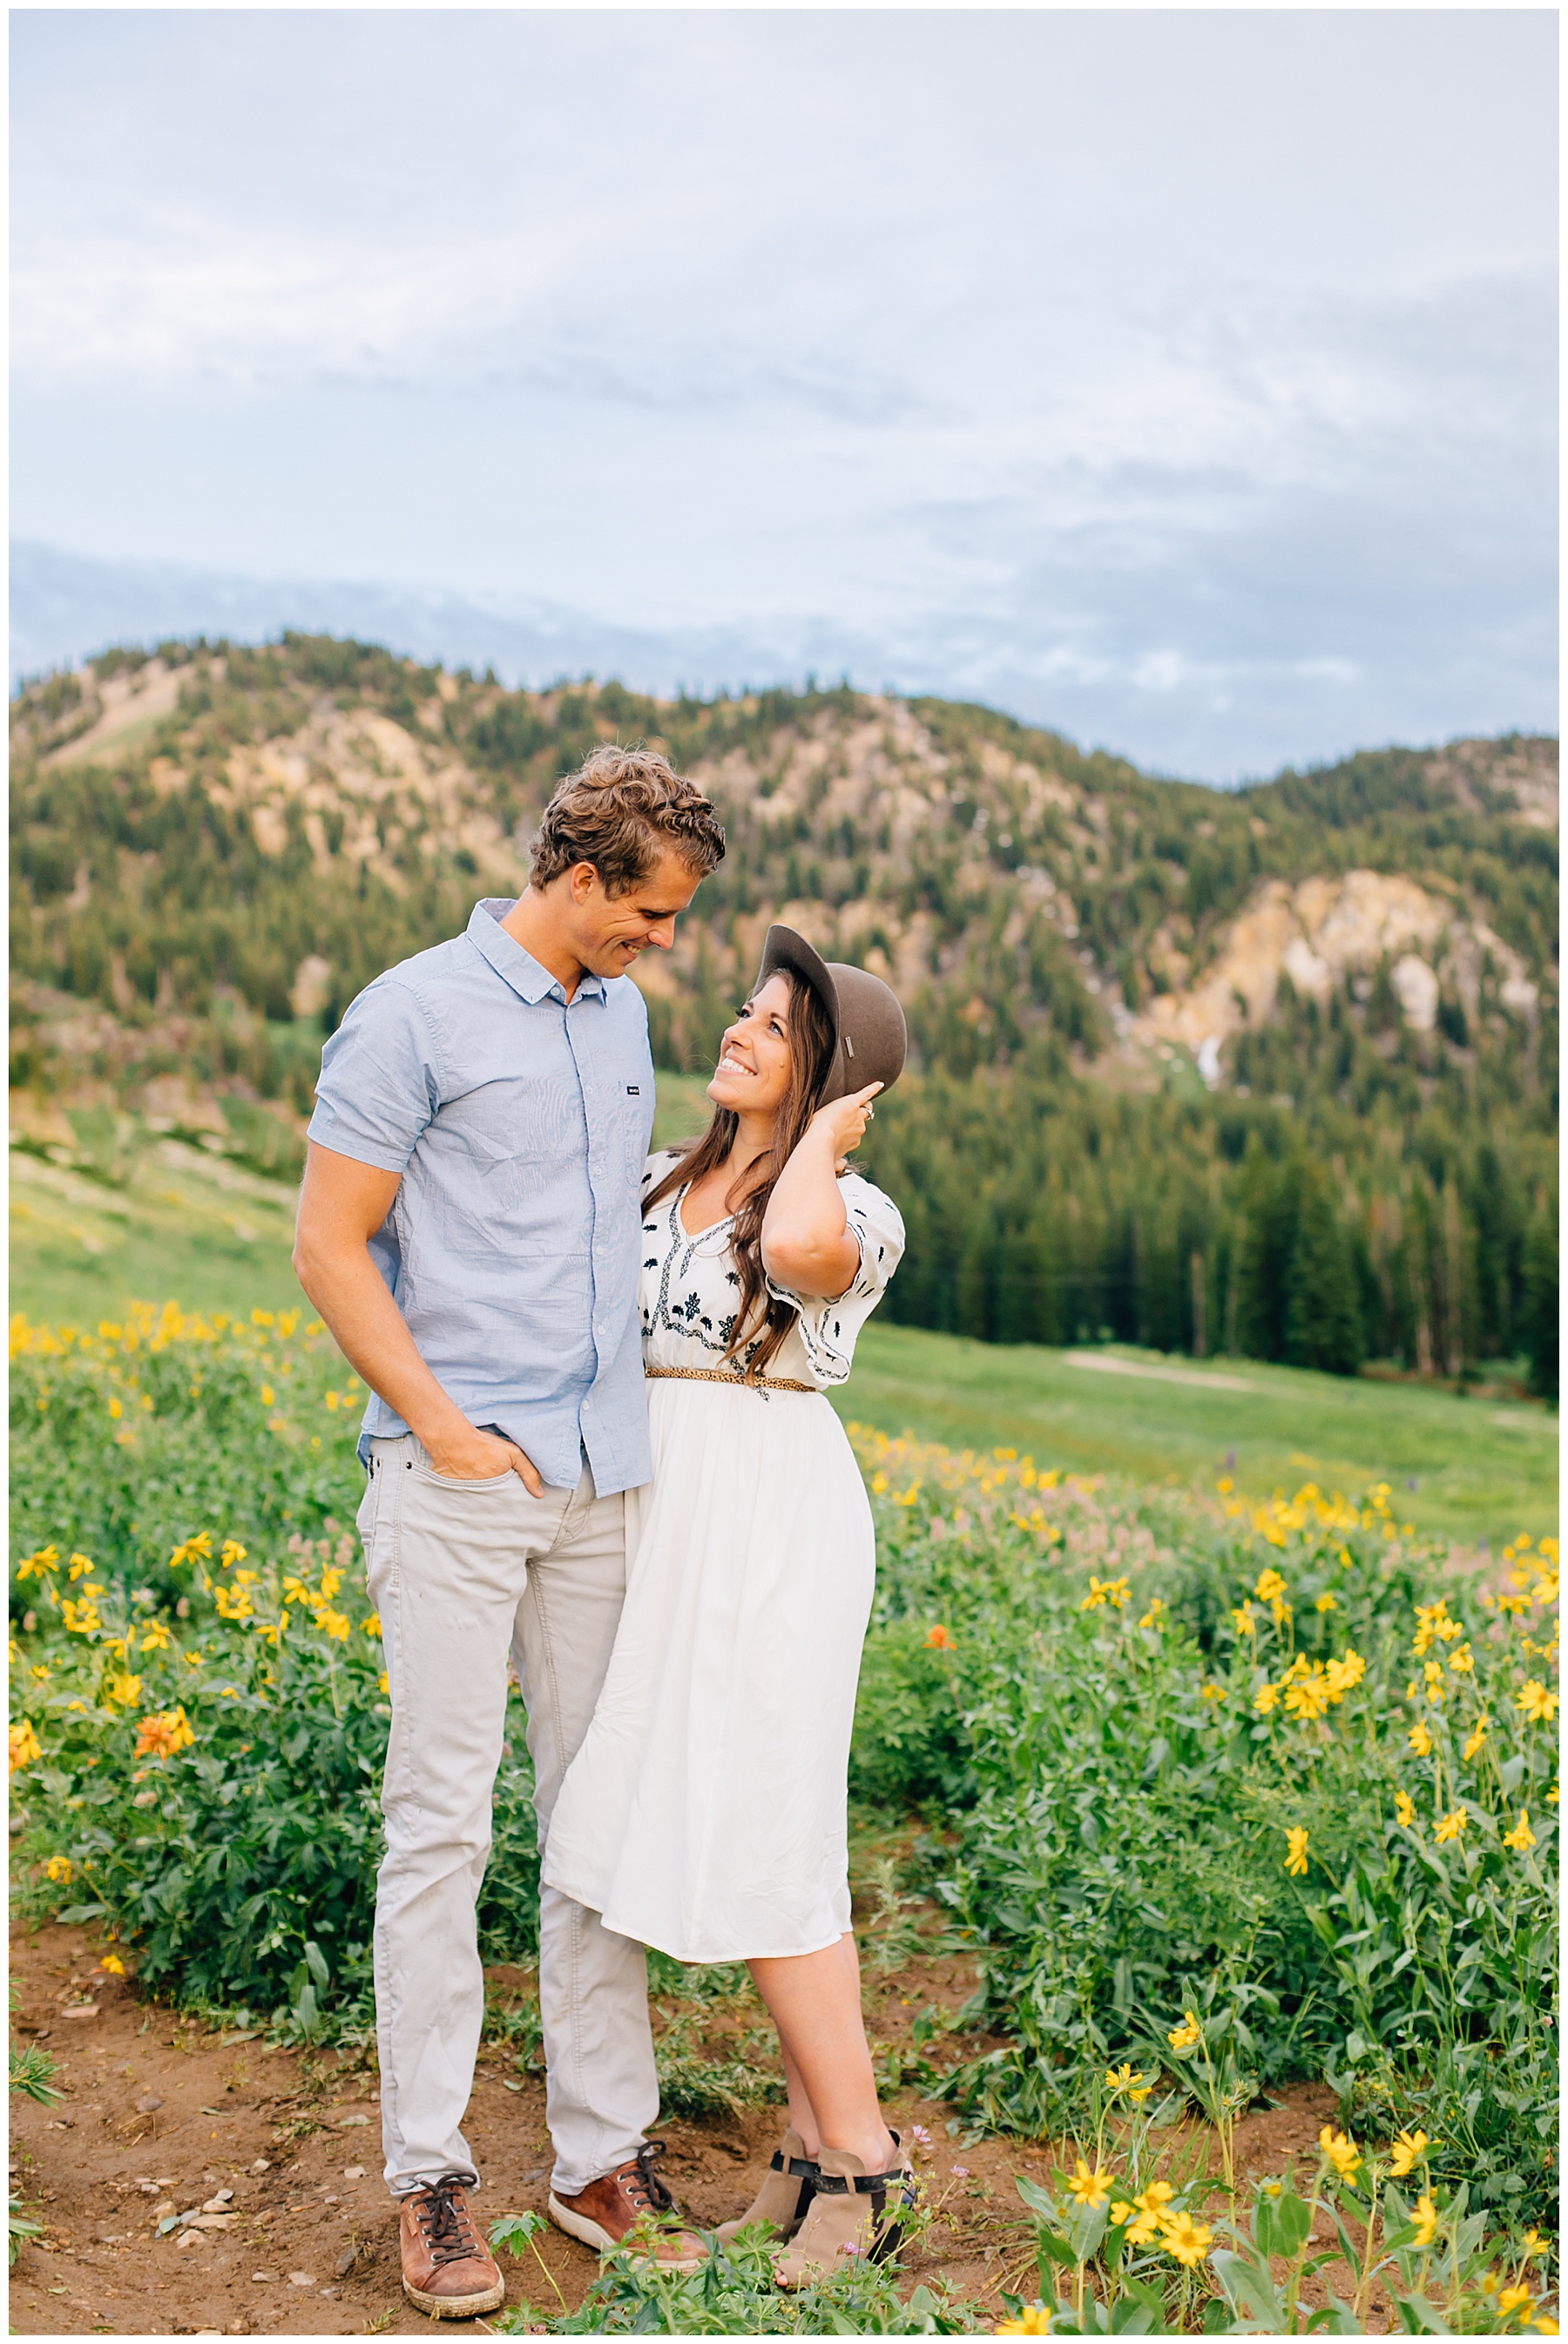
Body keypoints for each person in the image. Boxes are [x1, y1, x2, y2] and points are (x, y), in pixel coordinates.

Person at [291, 746, 727, 2320]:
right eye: (653, 915)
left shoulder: (625, 1019)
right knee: (442, 1827)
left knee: (593, 1828)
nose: (664, 944)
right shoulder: (411, 1012)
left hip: (609, 1484)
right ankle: (432, 2177)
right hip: (462, 1482)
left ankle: (601, 2156)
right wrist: (451, 1432)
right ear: (582, 878)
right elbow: (329, 1247)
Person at [544, 923, 914, 2285]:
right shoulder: (664, 1181)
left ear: (828, 1076)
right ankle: (809, 2147)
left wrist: (819, 1138)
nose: (739, 1027)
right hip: (664, 1520)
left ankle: (868, 2161)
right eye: (744, 1007)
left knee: (772, 1831)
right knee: (750, 1831)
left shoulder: (852, 1211)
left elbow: (804, 1246)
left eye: (777, 1022)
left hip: (770, 1524)